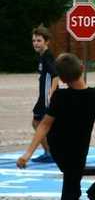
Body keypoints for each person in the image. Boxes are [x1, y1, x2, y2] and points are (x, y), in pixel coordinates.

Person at [17, 53, 95, 200]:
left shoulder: (60, 96)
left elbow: (44, 125)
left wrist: (27, 154)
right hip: (77, 151)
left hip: (59, 149)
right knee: (72, 188)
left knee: (71, 183)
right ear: (82, 67)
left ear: (62, 79)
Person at [31, 25, 58, 162]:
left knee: (37, 123)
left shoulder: (48, 57)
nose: (36, 43)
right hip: (43, 96)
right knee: (40, 123)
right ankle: (49, 151)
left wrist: (51, 94)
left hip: (47, 98)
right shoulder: (42, 56)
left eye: (39, 40)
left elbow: (55, 75)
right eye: (34, 40)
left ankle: (50, 152)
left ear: (46, 42)